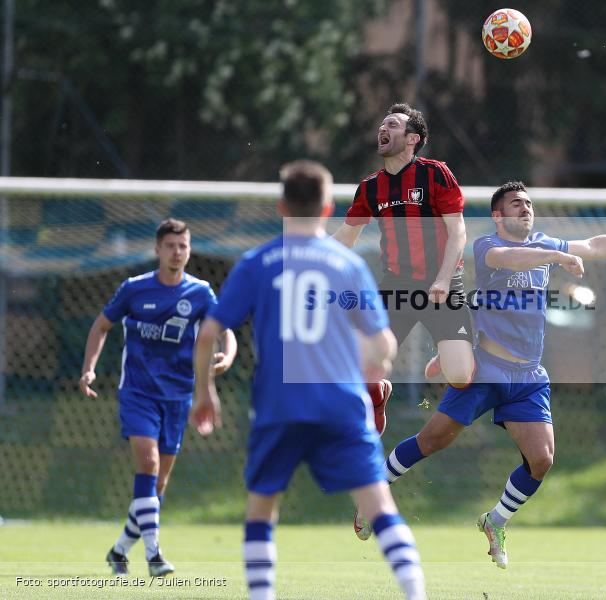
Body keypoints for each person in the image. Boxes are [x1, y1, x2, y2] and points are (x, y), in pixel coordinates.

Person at [377, 181, 606, 568]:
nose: (524, 208)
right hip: (486, 367)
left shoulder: (543, 242)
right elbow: (511, 260)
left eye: (528, 203)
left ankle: (495, 520)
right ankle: (375, 489)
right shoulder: (487, 246)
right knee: (433, 439)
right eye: (515, 204)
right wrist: (555, 255)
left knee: (542, 459)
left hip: (528, 376)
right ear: (497, 215)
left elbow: (595, 246)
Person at [190, 160, 426, 600]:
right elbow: (384, 346)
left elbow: (208, 333)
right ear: (327, 208)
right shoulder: (347, 264)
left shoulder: (256, 262)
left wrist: (205, 392)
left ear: (281, 206)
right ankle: (415, 593)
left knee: (262, 507)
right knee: (378, 506)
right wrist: (370, 365)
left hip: (280, 403)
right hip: (341, 403)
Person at [332, 102, 476, 539]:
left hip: (442, 285)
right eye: (382, 124)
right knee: (362, 369)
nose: (383, 128)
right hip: (396, 285)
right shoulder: (370, 187)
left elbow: (458, 233)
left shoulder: (436, 174)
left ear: (413, 138)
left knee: (461, 376)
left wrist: (439, 279)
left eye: (392, 125)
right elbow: (347, 238)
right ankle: (380, 393)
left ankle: (440, 360)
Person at [79, 218, 237, 577]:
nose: (177, 252)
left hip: (179, 396)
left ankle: (120, 550)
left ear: (189, 250)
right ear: (157, 250)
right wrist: (89, 368)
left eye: (183, 246)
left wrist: (227, 356)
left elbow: (224, 331)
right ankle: (154, 556)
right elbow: (101, 326)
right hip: (137, 392)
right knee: (148, 465)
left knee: (158, 483)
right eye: (170, 246)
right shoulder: (134, 289)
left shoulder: (199, 293)